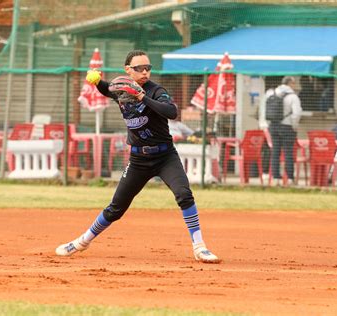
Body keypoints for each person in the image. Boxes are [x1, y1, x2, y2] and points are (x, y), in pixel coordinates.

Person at [55, 50, 220, 263]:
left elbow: (171, 112)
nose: (144, 72)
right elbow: (108, 89)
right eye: (139, 68)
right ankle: (81, 242)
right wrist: (96, 81)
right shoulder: (121, 88)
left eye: (148, 68)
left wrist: (141, 96)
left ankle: (200, 247)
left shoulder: (155, 90)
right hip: (138, 160)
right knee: (116, 208)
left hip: (165, 156)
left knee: (184, 194)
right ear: (127, 70)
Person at [267, 76, 303, 186]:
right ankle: (290, 179)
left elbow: (264, 111)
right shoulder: (293, 97)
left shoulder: (270, 93)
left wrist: (269, 124)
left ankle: (276, 178)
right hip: (287, 127)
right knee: (288, 153)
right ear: (290, 83)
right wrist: (294, 126)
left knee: (275, 152)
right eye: (294, 83)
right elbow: (296, 113)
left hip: (273, 126)